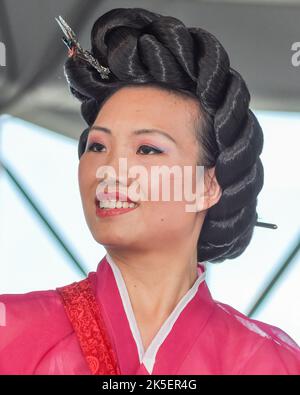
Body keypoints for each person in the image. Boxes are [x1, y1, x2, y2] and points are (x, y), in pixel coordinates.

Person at [0, 7, 299, 375]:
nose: (110, 170)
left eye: (147, 149)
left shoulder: (272, 362)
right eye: (96, 147)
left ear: (207, 185)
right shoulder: (9, 330)